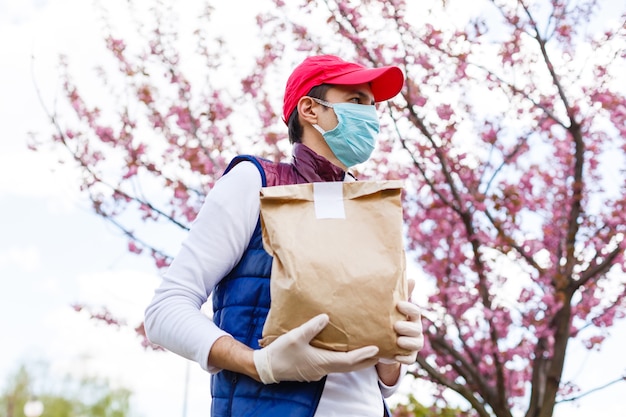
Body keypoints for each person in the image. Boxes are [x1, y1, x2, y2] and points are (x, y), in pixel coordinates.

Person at [144, 54, 424, 417]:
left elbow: (379, 382)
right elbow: (165, 311)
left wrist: (394, 356)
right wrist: (259, 364)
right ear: (310, 109)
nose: (370, 117)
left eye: (372, 107)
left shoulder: (372, 211)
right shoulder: (255, 184)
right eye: (356, 101)